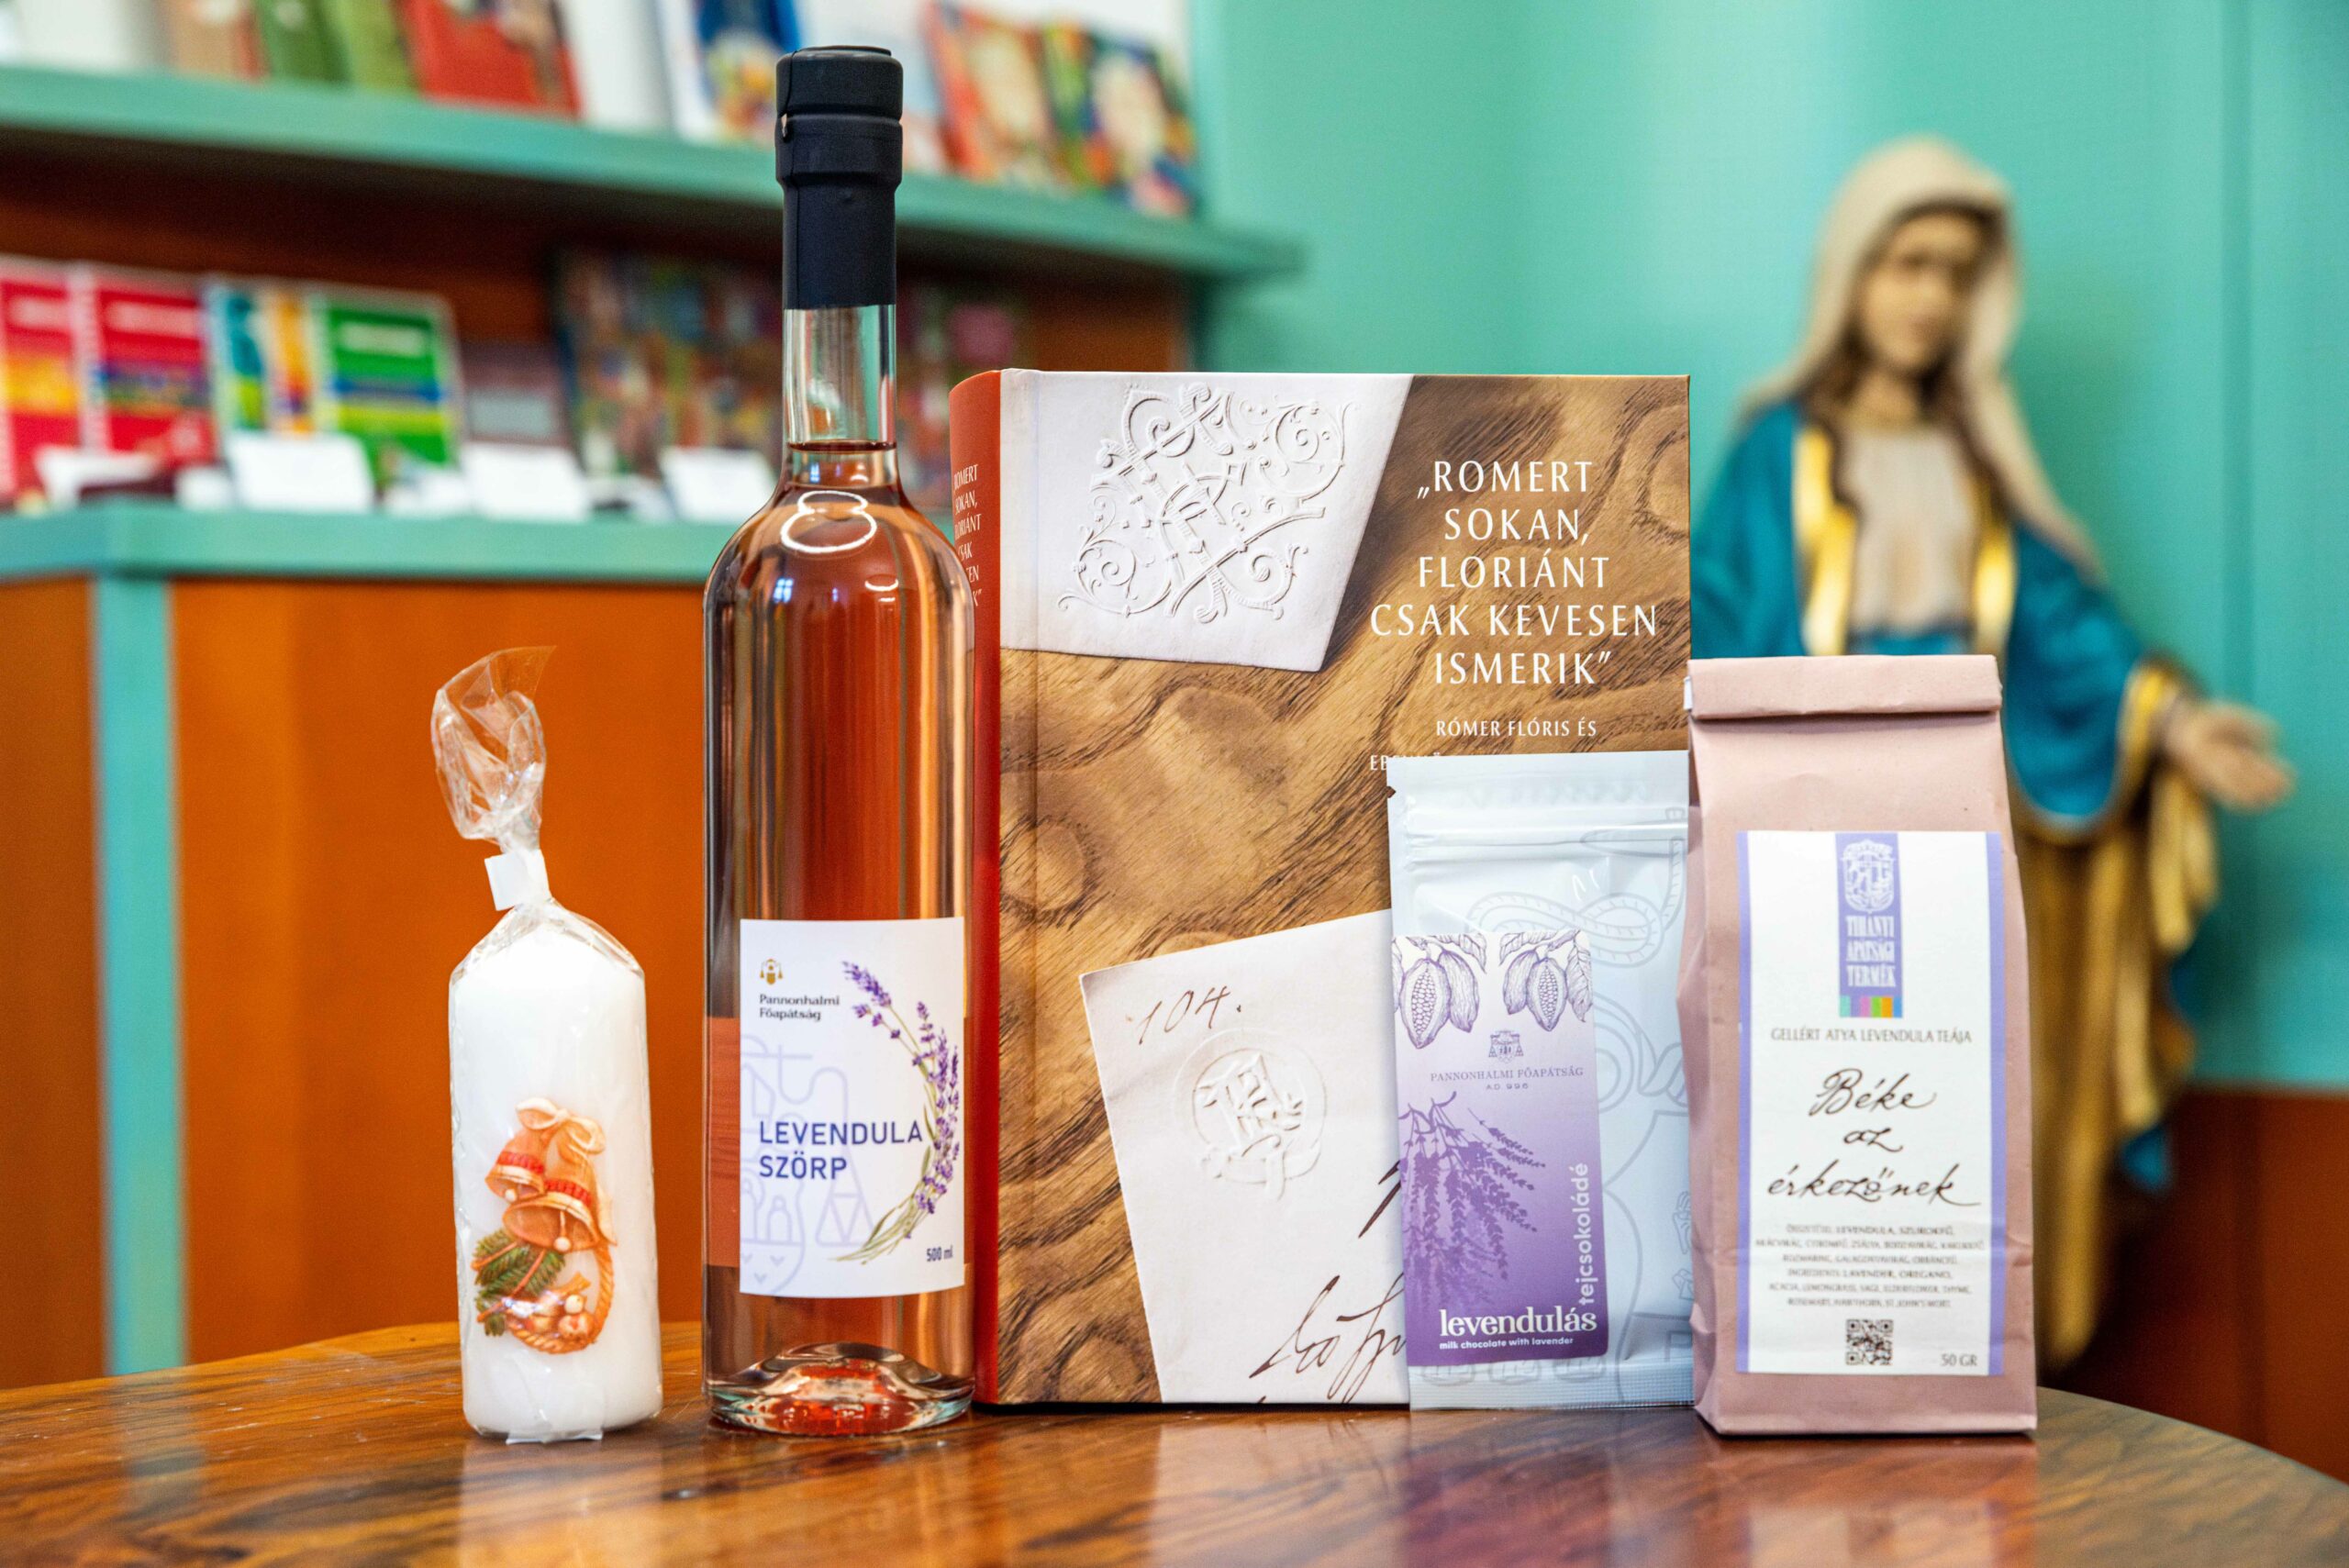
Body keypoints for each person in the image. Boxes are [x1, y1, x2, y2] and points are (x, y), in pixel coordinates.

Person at [1694, 137, 2292, 1368]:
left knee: (1965, 1102)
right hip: (1818, 836)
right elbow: (1718, 622)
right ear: (1852, 274)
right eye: (1907, 263)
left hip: (1972, 833)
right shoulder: (1777, 456)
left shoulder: (1979, 463)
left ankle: (1963, 1358)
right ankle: (1813, 1358)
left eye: (1954, 272)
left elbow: (2062, 625)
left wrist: (2175, 721)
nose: (1929, 296)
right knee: (1821, 1105)